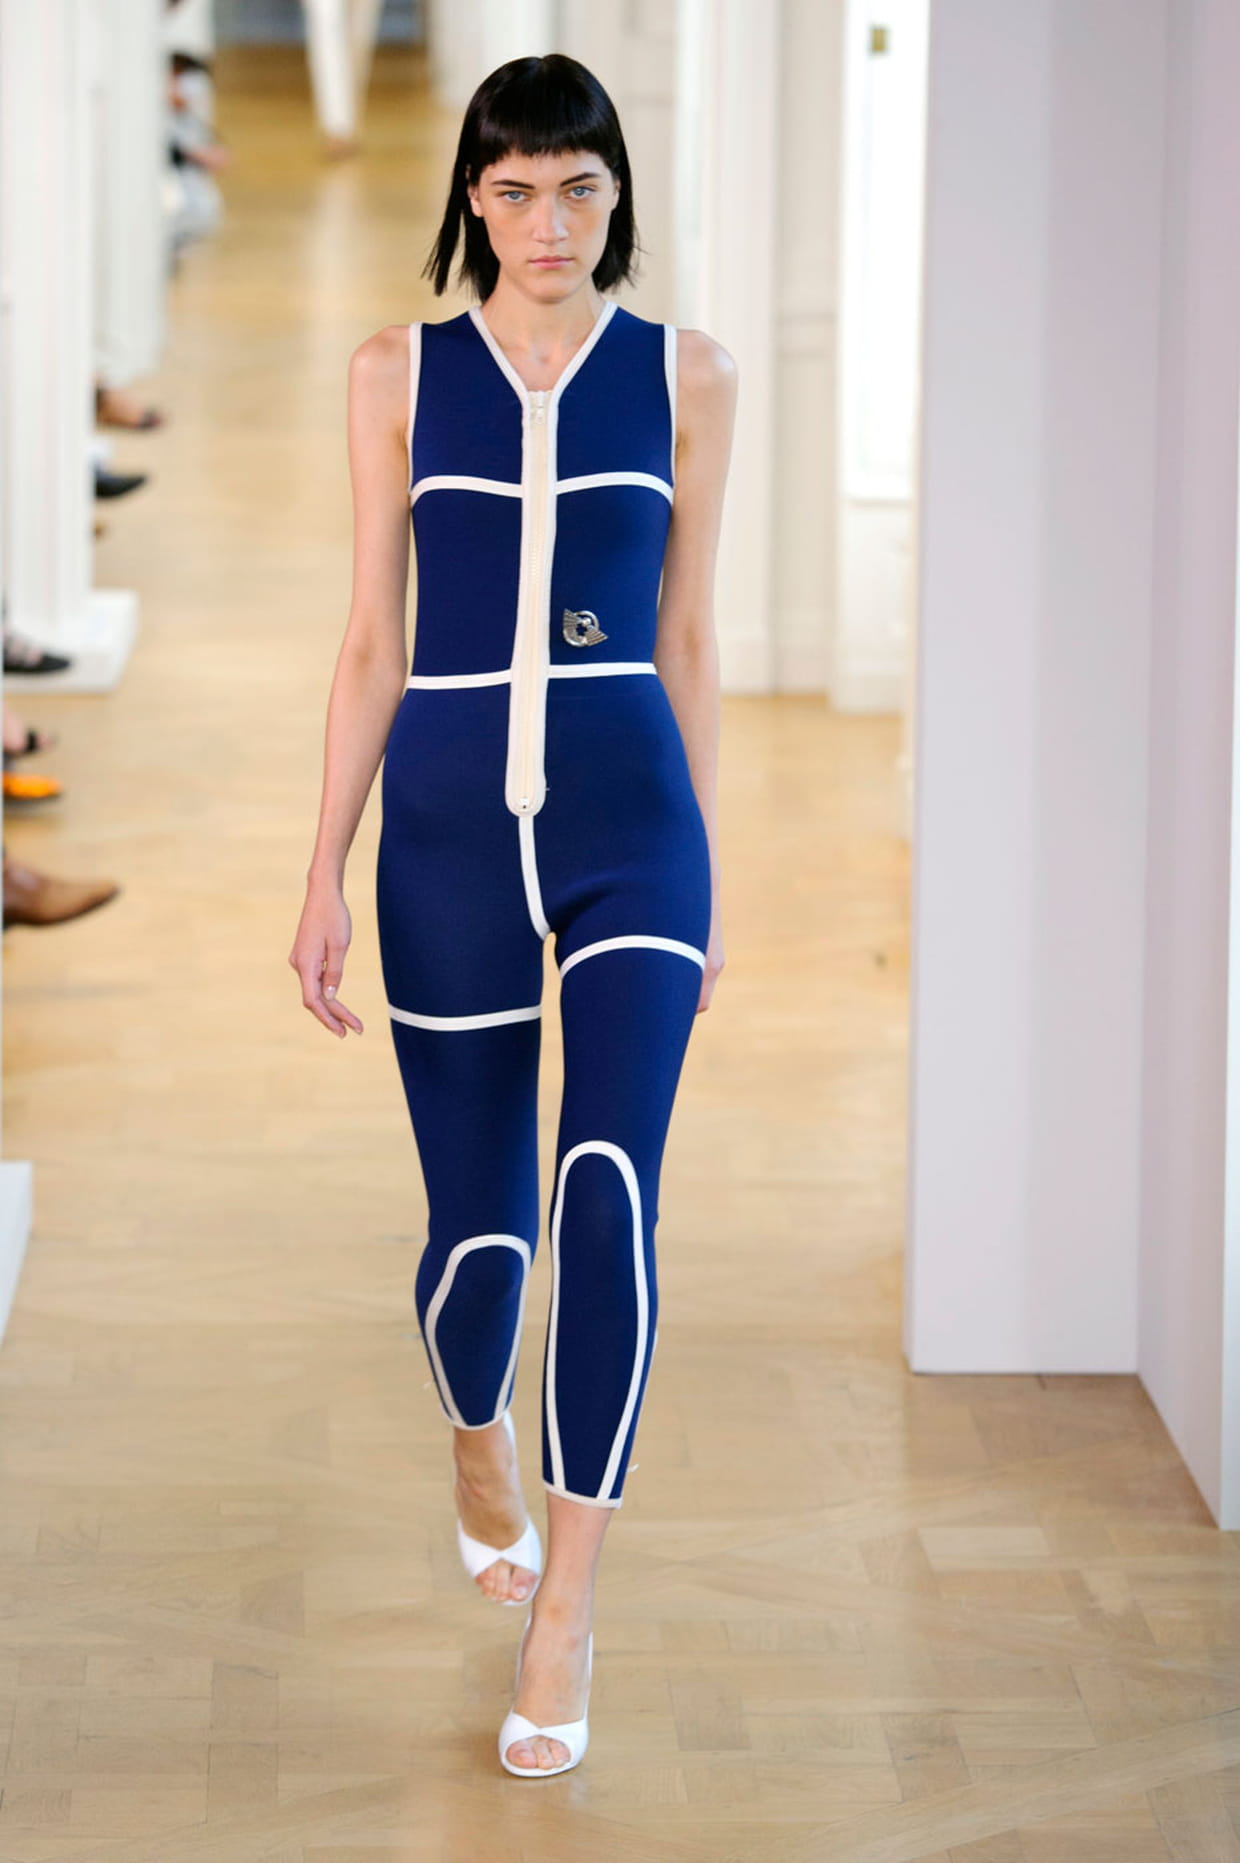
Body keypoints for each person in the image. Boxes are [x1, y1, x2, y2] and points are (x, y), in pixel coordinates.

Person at [289, 52, 735, 1779]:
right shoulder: (396, 374)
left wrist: (708, 868)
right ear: (473, 199)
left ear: (617, 196)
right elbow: (369, 641)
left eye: (582, 189)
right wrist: (322, 869)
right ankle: (476, 1435)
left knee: (607, 1193)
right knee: (482, 1249)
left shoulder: (687, 375)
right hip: (449, 839)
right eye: (517, 190)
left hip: (635, 835)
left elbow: (685, 637)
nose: (551, 224)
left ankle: (570, 1613)